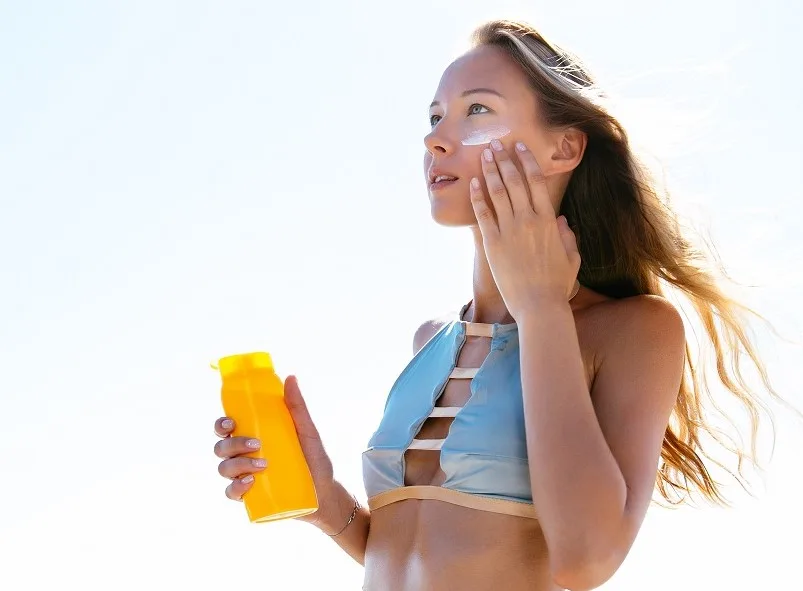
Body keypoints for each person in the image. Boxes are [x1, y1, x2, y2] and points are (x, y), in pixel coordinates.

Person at [212, 19, 783, 591]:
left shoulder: (635, 329)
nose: (436, 138)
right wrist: (322, 499)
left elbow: (585, 561)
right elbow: (420, 556)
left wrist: (541, 310)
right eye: (435, 117)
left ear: (565, 147)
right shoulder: (432, 340)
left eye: (477, 110)